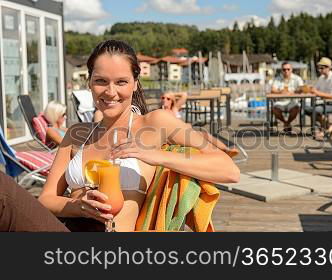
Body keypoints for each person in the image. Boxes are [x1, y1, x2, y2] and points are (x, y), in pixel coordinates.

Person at [29, 39, 239, 232]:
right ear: (89, 83)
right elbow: (46, 199)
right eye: (101, 81)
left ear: (135, 83)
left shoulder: (155, 123)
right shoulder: (77, 134)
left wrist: (157, 156)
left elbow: (229, 170)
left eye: (121, 82)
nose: (110, 92)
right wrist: (79, 206)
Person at [160, 91, 239, 157]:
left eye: (168, 98)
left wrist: (173, 94)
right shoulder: (160, 112)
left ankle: (225, 150)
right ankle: (220, 153)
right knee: (200, 137)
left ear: (172, 101)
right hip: (175, 136)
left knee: (204, 134)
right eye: (163, 98)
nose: (165, 100)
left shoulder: (174, 109)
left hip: (184, 132)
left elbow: (184, 95)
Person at [304, 57, 332, 140]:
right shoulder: (321, 78)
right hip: (323, 103)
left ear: (328, 68)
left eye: (322, 68)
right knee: (306, 109)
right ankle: (328, 126)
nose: (319, 70)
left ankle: (323, 129)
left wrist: (316, 92)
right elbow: (316, 90)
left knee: (314, 110)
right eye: (319, 68)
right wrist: (308, 89)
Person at [271, 62, 304, 132]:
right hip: (281, 101)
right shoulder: (277, 78)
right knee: (274, 109)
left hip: (293, 101)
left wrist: (293, 92)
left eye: (288, 69)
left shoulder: (297, 78)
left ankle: (287, 123)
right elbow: (273, 89)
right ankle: (286, 123)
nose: (286, 71)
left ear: (291, 69)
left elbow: (302, 88)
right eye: (284, 69)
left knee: (296, 108)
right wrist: (279, 92)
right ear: (281, 70)